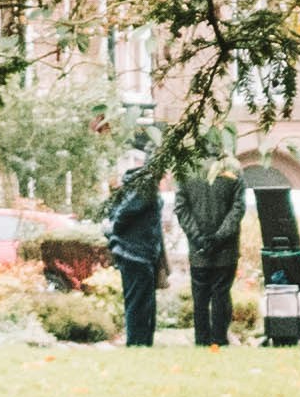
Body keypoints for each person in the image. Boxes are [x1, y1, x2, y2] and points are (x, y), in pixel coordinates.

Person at [171, 128, 250, 351]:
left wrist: (197, 238)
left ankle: (201, 340)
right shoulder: (232, 168)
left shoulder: (186, 168)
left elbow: (181, 208)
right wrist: (219, 237)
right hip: (225, 248)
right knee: (221, 294)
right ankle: (219, 339)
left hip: (198, 250)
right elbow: (237, 209)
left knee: (200, 296)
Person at [103, 145, 171, 350]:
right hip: (135, 253)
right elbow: (126, 211)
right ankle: (137, 344)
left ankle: (142, 344)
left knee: (143, 303)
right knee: (138, 303)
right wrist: (114, 229)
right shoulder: (146, 184)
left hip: (139, 252)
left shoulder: (144, 182)